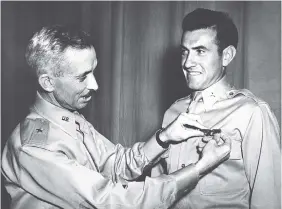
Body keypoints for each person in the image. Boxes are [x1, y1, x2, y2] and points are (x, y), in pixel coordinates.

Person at [1, 25, 232, 209]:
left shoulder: (69, 118)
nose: (95, 85)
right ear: (48, 82)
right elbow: (113, 200)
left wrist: (164, 137)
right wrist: (199, 168)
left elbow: (115, 164)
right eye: (83, 77)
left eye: (94, 71)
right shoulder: (34, 147)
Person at [151, 8, 281, 209]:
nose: (187, 62)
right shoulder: (173, 112)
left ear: (227, 56)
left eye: (200, 51)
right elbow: (156, 194)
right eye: (185, 51)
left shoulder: (251, 113)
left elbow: (269, 201)